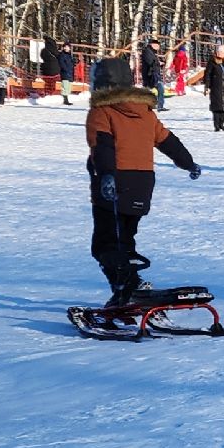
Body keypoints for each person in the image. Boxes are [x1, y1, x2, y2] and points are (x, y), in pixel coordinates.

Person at [86, 82, 199, 306]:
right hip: (143, 183)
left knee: (104, 244)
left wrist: (107, 175)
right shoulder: (146, 113)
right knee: (125, 239)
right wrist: (188, 163)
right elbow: (169, 141)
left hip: (114, 182)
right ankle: (129, 287)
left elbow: (102, 146)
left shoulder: (102, 112)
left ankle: (128, 287)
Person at [204, 45, 224, 132]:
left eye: (221, 52)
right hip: (215, 88)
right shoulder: (212, 62)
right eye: (219, 51)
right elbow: (207, 75)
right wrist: (207, 86)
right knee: (216, 108)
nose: (220, 53)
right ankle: (216, 126)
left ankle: (222, 124)